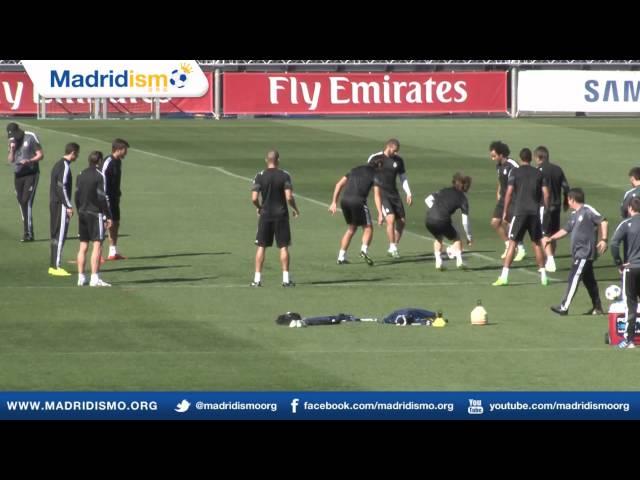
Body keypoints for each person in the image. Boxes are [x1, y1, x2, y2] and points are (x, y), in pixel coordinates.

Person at [545, 188, 607, 316]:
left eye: (568, 199)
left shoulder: (587, 210)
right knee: (590, 282)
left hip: (584, 253)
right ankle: (598, 307)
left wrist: (604, 239)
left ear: (572, 199)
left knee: (574, 278)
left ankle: (564, 307)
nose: (567, 201)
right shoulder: (574, 215)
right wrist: (551, 238)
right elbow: (565, 230)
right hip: (579, 254)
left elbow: (603, 220)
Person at [493, 148, 549, 286]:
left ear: (520, 158)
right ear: (530, 158)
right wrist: (545, 208)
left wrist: (505, 211)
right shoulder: (538, 172)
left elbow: (509, 192)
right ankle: (543, 276)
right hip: (534, 212)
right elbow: (546, 193)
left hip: (520, 212)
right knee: (536, 243)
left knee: (512, 243)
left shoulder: (515, 172)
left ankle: (504, 276)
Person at [251, 149, 299, 287]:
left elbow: (254, 198)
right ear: (278, 160)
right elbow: (289, 196)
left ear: (266, 160)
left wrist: (259, 207)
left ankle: (257, 279)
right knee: (283, 246)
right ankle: (285, 279)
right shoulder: (285, 175)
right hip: (281, 215)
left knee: (261, 246)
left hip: (265, 215)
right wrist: (295, 209)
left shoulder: (259, 176)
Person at [328, 160, 380, 266]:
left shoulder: (354, 170)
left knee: (352, 229)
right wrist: (380, 212)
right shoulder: (376, 174)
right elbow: (377, 195)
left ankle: (341, 256)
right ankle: (364, 250)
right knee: (368, 227)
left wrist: (334, 202)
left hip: (345, 201)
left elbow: (338, 184)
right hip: (358, 201)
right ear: (378, 166)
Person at [367, 138, 412, 258]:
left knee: (401, 222)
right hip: (382, 193)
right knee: (390, 219)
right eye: (395, 150)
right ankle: (393, 247)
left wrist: (408, 193)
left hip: (394, 194)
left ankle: (393, 247)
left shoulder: (399, 160)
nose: (396, 153)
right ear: (389, 147)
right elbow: (367, 173)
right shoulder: (375, 158)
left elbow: (403, 177)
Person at [75, 151, 112, 287]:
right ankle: (94, 278)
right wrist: (108, 215)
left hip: (82, 212)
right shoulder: (99, 175)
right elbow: (102, 196)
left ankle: (80, 277)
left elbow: (77, 194)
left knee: (83, 245)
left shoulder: (81, 174)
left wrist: (79, 209)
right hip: (95, 213)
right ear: (100, 161)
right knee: (97, 245)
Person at [425, 173, 473, 270]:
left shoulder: (443, 190)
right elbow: (465, 221)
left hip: (429, 219)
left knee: (438, 237)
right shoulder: (463, 198)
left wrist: (435, 209)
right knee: (457, 238)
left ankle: (438, 262)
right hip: (442, 220)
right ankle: (459, 261)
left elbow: (427, 200)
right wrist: (469, 236)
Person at [610, 196, 640, 348]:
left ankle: (629, 340)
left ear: (630, 208)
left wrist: (619, 263)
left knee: (631, 304)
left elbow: (614, 244)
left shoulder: (626, 224)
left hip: (632, 268)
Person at [535, 146, 570, 273]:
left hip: (544, 206)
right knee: (554, 234)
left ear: (539, 157)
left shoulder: (538, 171)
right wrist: (566, 202)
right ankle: (550, 259)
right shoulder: (557, 169)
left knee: (544, 234)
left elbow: (536, 190)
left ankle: (550, 260)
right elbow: (566, 187)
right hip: (557, 206)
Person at [7, 122, 44, 241]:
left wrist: (29, 160)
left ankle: (28, 233)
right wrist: (12, 150)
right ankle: (28, 230)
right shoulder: (12, 141)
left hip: (31, 173)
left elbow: (40, 155)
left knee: (26, 201)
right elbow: (11, 160)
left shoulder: (30, 136)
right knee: (21, 202)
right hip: (18, 174)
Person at [489, 141, 526, 262]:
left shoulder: (512, 165)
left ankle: (520, 248)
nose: (492, 158)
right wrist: (498, 192)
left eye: (494, 155)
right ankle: (508, 245)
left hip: (514, 198)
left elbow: (521, 180)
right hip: (503, 198)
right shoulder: (498, 166)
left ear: (501, 154)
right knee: (495, 223)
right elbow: (500, 181)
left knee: (509, 224)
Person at [48, 142, 79, 276]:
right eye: (77, 154)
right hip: (60, 204)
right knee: (60, 235)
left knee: (55, 234)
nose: (77, 156)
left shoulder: (57, 164)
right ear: (72, 153)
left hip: (54, 203)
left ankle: (53, 265)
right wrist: (68, 205)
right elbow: (62, 187)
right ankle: (56, 267)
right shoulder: (65, 166)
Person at [101, 138, 129, 260]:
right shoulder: (108, 162)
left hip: (114, 198)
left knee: (115, 223)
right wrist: (104, 197)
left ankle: (113, 252)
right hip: (106, 198)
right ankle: (98, 253)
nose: (126, 152)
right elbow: (101, 179)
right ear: (118, 150)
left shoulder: (118, 162)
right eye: (125, 150)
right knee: (105, 224)